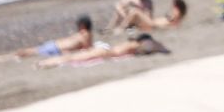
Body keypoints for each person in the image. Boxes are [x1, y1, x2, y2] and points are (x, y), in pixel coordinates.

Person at [0, 15, 93, 62]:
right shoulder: (83, 34)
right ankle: (1, 57)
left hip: (55, 49)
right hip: (54, 46)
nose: (77, 25)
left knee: (26, 52)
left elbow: (86, 48)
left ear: (83, 25)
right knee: (27, 52)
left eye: (79, 24)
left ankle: (0, 58)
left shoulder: (85, 34)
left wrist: (70, 52)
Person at [37, 34, 171, 68]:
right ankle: (45, 63)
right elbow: (153, 47)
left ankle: (46, 63)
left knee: (74, 57)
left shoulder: (132, 43)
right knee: (73, 58)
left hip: (105, 50)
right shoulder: (135, 44)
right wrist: (161, 47)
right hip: (105, 52)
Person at [113, 0, 187, 32]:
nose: (172, 5)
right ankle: (125, 27)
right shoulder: (177, 12)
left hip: (153, 24)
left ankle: (120, 28)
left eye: (174, 4)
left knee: (135, 11)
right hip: (153, 23)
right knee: (133, 13)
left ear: (178, 5)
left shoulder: (177, 12)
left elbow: (173, 23)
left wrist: (164, 25)